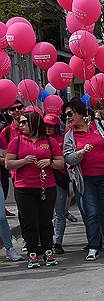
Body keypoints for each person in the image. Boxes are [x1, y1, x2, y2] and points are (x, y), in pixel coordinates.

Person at [62, 98, 104, 261]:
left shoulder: (101, 126)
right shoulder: (70, 135)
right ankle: (94, 246)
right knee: (91, 213)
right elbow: (68, 158)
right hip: (85, 180)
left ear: (80, 112)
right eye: (65, 116)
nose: (68, 118)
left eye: (70, 114)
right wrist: (81, 153)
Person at [5, 110, 64, 268]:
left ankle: (48, 251)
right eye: (21, 122)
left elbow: (61, 163)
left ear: (34, 123)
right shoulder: (16, 141)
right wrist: (23, 161)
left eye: (25, 122)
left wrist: (49, 162)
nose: (21, 125)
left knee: (45, 221)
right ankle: (32, 253)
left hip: (46, 186)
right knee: (30, 222)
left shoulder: (49, 141)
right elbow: (8, 163)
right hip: (24, 187)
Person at [44, 113, 70, 254]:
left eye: (51, 126)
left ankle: (58, 242)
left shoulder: (64, 140)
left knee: (60, 212)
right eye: (45, 126)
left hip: (60, 180)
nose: (48, 129)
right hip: (43, 180)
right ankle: (49, 241)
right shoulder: (39, 141)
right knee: (47, 214)